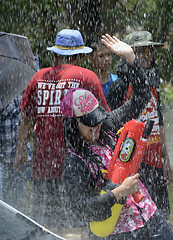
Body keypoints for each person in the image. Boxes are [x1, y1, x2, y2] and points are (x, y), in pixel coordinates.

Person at [13, 29, 113, 231]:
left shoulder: (39, 78)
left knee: (43, 228)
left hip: (42, 166)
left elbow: (26, 122)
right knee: (75, 228)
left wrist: (20, 152)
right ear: (81, 55)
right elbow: (105, 120)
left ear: (56, 54)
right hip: (76, 168)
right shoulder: (87, 77)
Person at [61, 85, 173, 240]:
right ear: (72, 124)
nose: (95, 126)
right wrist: (120, 192)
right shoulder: (74, 161)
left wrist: (131, 60)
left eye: (96, 119)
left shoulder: (108, 127)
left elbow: (142, 95)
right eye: (89, 122)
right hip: (120, 232)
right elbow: (80, 208)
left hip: (150, 216)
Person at [106, 31, 173, 219]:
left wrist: (165, 158)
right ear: (130, 54)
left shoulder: (153, 83)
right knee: (135, 215)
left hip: (154, 155)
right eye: (141, 52)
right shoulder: (120, 85)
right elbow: (110, 127)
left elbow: (157, 120)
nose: (147, 56)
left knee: (161, 214)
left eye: (149, 51)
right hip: (132, 160)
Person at [0, 92, 32, 211]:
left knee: (14, 206)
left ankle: (12, 228)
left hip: (20, 157)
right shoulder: (4, 85)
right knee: (2, 205)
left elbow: (28, 119)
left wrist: (22, 150)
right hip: (2, 158)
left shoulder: (22, 89)